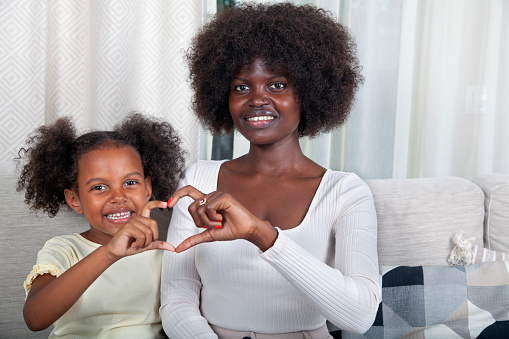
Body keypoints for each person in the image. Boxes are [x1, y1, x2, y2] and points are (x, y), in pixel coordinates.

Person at [160, 3, 381, 338]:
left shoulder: (344, 192)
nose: (257, 99)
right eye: (241, 87)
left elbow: (360, 314)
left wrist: (262, 236)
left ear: (308, 93)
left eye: (277, 85)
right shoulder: (199, 180)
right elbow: (176, 299)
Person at [17, 113, 186, 338]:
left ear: (147, 189)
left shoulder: (165, 251)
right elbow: (35, 319)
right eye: (99, 187)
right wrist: (108, 253)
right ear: (74, 200)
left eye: (130, 183)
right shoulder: (63, 249)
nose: (118, 196)